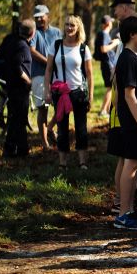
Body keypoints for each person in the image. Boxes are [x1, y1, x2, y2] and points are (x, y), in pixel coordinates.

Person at [111, 16, 137, 230]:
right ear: (131, 34)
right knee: (131, 163)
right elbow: (129, 95)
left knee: (132, 163)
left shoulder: (136, 56)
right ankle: (123, 214)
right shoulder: (127, 58)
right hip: (131, 123)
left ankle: (128, 210)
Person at [44, 15, 94, 170]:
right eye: (66, 25)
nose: (69, 28)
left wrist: (90, 96)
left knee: (81, 128)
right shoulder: (56, 45)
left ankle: (82, 162)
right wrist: (47, 91)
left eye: (72, 25)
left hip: (78, 93)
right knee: (62, 128)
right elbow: (49, 69)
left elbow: (89, 73)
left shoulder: (83, 48)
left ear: (78, 27)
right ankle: (62, 163)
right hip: (60, 93)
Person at [29, 5, 62, 150]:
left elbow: (62, 48)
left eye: (42, 16)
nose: (39, 19)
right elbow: (32, 51)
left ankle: (50, 128)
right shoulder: (33, 33)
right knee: (43, 109)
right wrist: (48, 61)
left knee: (61, 106)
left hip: (57, 74)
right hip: (39, 75)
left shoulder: (56, 32)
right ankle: (45, 143)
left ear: (48, 16)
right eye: (36, 17)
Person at [2, 19, 36, 158]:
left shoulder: (12, 41)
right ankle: (19, 151)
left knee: (15, 118)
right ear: (32, 33)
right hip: (19, 88)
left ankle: (14, 149)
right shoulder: (22, 46)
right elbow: (17, 65)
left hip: (11, 86)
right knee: (20, 119)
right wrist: (27, 80)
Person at [95, 15, 120, 117]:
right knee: (110, 87)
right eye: (111, 22)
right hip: (107, 64)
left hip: (106, 63)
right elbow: (104, 49)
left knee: (111, 87)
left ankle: (106, 109)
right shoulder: (105, 34)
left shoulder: (103, 34)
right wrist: (116, 43)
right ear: (108, 23)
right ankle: (103, 111)